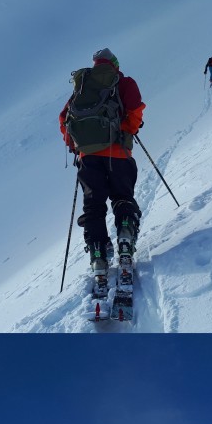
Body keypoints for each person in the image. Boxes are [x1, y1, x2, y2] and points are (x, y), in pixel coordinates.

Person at [59, 48, 145, 289]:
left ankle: (98, 256)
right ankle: (126, 239)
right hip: (117, 152)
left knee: (94, 206)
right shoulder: (123, 82)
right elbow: (135, 110)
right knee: (122, 196)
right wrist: (126, 132)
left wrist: (76, 146)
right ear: (115, 64)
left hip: (87, 157)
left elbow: (64, 119)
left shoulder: (82, 86)